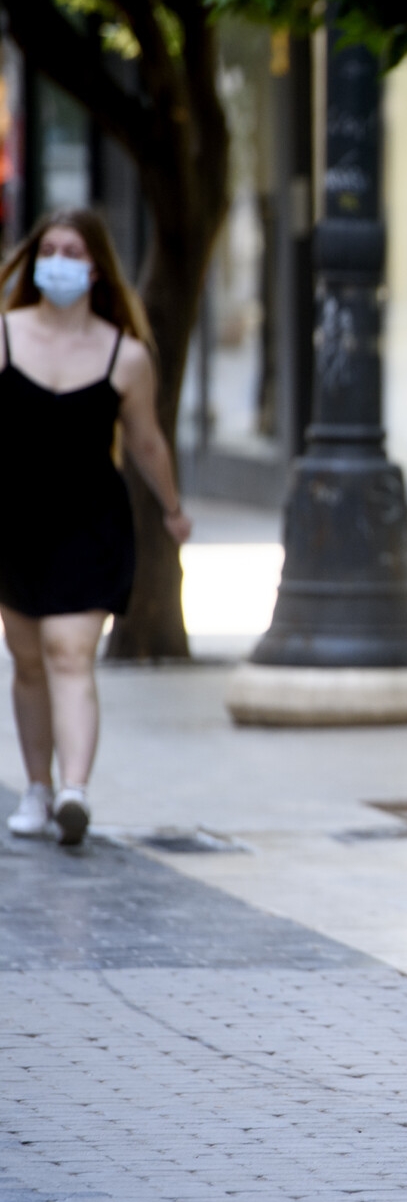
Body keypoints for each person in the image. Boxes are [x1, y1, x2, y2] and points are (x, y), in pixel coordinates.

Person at [0, 209, 191, 846]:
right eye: (48, 250)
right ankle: (37, 788)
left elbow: (147, 442)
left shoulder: (125, 355)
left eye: (72, 252)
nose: (57, 262)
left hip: (91, 522)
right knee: (29, 661)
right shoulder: (4, 336)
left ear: (96, 268)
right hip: (16, 522)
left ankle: (74, 792)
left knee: (69, 651)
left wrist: (172, 507)